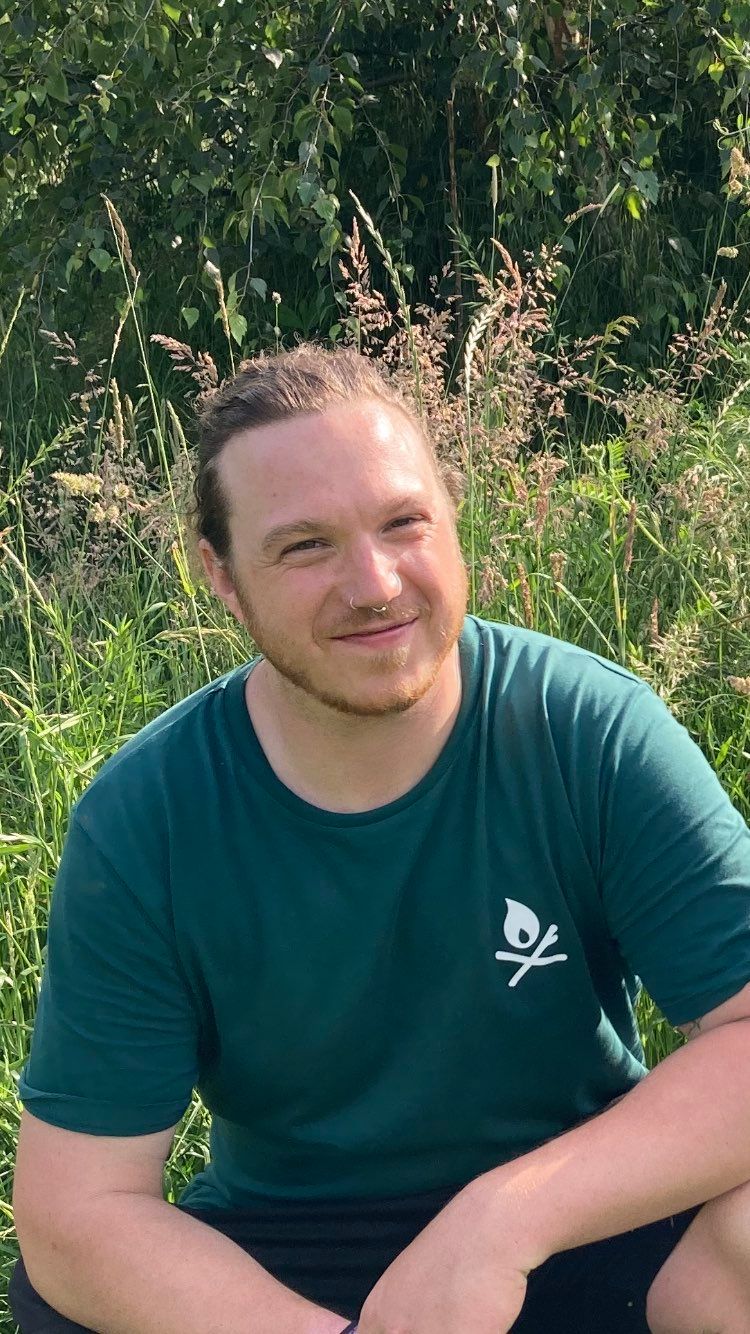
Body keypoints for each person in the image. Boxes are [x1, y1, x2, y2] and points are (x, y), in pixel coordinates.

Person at [9, 344, 750, 1334]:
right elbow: (75, 1211)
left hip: (580, 1213)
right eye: (304, 546)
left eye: (404, 522)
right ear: (219, 574)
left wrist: (499, 1221)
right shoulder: (150, 815)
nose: (374, 584)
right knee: (67, 1300)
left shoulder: (587, 732)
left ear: (453, 517)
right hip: (289, 1254)